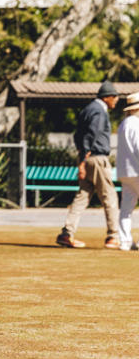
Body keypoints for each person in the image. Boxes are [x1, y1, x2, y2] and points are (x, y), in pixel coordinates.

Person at [56, 80, 120, 249]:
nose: (116, 100)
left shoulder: (87, 109)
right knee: (110, 197)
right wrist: (84, 157)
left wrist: (82, 157)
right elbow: (91, 134)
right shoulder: (99, 111)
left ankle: (66, 233)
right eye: (115, 97)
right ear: (107, 97)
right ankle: (113, 236)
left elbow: (78, 135)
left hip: (86, 158)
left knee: (83, 196)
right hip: (97, 158)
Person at [116, 92, 139, 250]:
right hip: (137, 170)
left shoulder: (123, 124)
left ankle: (125, 241)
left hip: (125, 171)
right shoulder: (136, 124)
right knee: (127, 207)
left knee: (126, 208)